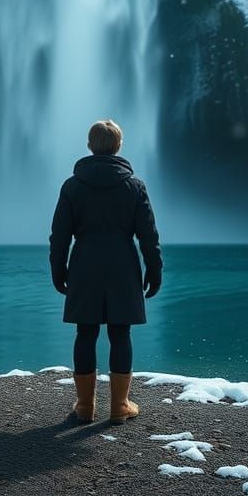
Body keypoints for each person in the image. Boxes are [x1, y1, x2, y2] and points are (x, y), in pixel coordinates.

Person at [49, 119, 162, 424]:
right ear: (119, 146)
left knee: (85, 332)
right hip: (123, 265)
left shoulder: (72, 186)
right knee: (120, 333)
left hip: (84, 264)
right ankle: (119, 406)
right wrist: (155, 269)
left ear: (89, 146)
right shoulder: (135, 186)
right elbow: (148, 236)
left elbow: (59, 235)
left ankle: (85, 407)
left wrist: (58, 269)